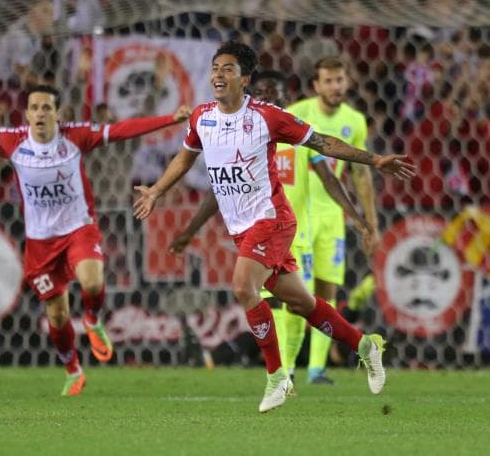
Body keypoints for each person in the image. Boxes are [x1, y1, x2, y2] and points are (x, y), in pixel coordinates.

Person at [134, 41, 414, 413]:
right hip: (241, 228)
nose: (218, 74)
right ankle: (366, 345)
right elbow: (185, 159)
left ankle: (278, 378)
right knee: (301, 303)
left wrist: (374, 159)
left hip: (273, 220)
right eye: (216, 67)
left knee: (241, 286)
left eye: (228, 68)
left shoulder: (267, 117)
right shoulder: (202, 117)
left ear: (245, 79)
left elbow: (323, 143)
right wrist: (155, 190)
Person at [0, 84, 190, 396]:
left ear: (58, 114)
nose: (40, 113)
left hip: (78, 229)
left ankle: (92, 320)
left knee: (92, 283)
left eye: (46, 108)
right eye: (34, 108)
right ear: (26, 114)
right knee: (57, 314)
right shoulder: (12, 140)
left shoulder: (75, 136)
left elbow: (120, 131)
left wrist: (170, 119)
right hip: (40, 243)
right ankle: (73, 370)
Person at [168, 70, 377, 384]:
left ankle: (292, 373)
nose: (268, 97)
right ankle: (354, 348)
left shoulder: (293, 133)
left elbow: (329, 177)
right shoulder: (244, 134)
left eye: (275, 92)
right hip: (257, 229)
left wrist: (358, 219)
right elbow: (219, 189)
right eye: (263, 91)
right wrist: (189, 231)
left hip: (290, 229)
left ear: (285, 96)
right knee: (295, 303)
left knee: (265, 293)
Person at [288, 56, 382, 384]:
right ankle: (286, 367)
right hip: (299, 214)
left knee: (326, 290)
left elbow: (360, 175)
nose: (335, 86)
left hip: (332, 216)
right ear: (316, 86)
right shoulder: (298, 112)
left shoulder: (355, 121)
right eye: (328, 81)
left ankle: (316, 369)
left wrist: (370, 222)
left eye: (339, 80)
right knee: (297, 292)